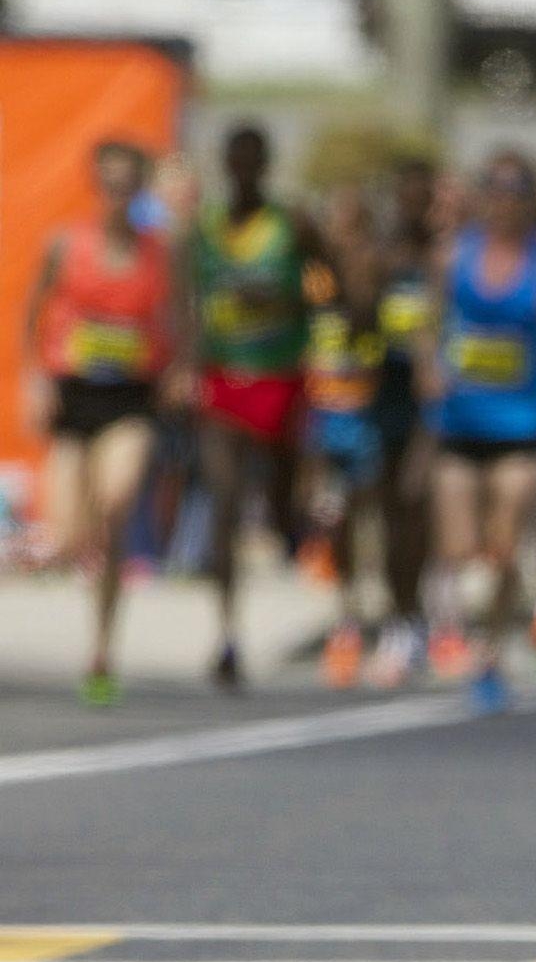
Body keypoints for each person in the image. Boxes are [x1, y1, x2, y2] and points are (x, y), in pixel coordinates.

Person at [20, 140, 180, 706]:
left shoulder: (161, 253)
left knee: (117, 501)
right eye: (108, 181)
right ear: (96, 185)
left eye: (128, 182)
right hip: (74, 396)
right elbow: (31, 310)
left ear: (139, 188)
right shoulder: (66, 244)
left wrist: (182, 366)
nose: (117, 192)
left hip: (131, 398)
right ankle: (84, 555)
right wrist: (33, 377)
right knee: (66, 536)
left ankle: (102, 648)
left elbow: (184, 315)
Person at [183, 121, 327, 688]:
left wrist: (302, 308)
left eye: (253, 161)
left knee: (284, 504)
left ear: (265, 166)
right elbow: (190, 299)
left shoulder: (291, 224)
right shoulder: (206, 228)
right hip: (224, 378)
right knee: (223, 501)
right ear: (225, 166)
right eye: (234, 161)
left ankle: (296, 539)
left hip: (282, 378)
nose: (243, 171)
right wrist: (186, 362)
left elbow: (328, 284)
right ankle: (227, 632)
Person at [416, 152, 536, 714]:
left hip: (521, 425)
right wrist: (430, 364)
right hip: (460, 422)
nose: (505, 202)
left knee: (504, 545)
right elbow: (428, 325)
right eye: (496, 191)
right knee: (460, 550)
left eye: (516, 192)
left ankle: (491, 655)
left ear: (530, 200)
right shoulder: (452, 256)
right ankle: (471, 630)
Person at [301, 183, 388, 686]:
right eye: (338, 226)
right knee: (330, 518)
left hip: (366, 415)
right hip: (321, 415)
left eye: (352, 227)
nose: (343, 237)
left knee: (366, 518)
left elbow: (363, 320)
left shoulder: (370, 276)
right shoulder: (315, 282)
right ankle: (346, 619)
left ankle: (360, 620)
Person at [364, 156, 443, 687]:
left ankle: (427, 613)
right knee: (393, 509)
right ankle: (401, 613)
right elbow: (356, 315)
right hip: (388, 391)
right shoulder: (381, 255)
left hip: (438, 398)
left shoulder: (449, 253)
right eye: (404, 194)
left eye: (423, 194)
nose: (412, 204)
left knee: (426, 502)